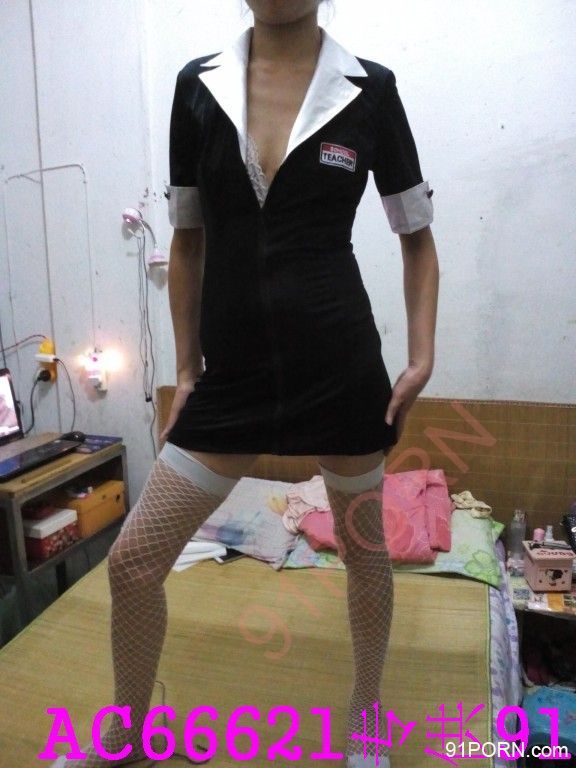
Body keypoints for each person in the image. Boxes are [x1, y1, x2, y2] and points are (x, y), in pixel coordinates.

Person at [50, 1, 438, 766]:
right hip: (231, 379)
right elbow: (187, 241)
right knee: (132, 563)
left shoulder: (372, 89)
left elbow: (416, 237)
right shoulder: (198, 88)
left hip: (340, 370)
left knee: (365, 555)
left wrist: (420, 357)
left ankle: (366, 723)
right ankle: (128, 733)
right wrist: (185, 368)